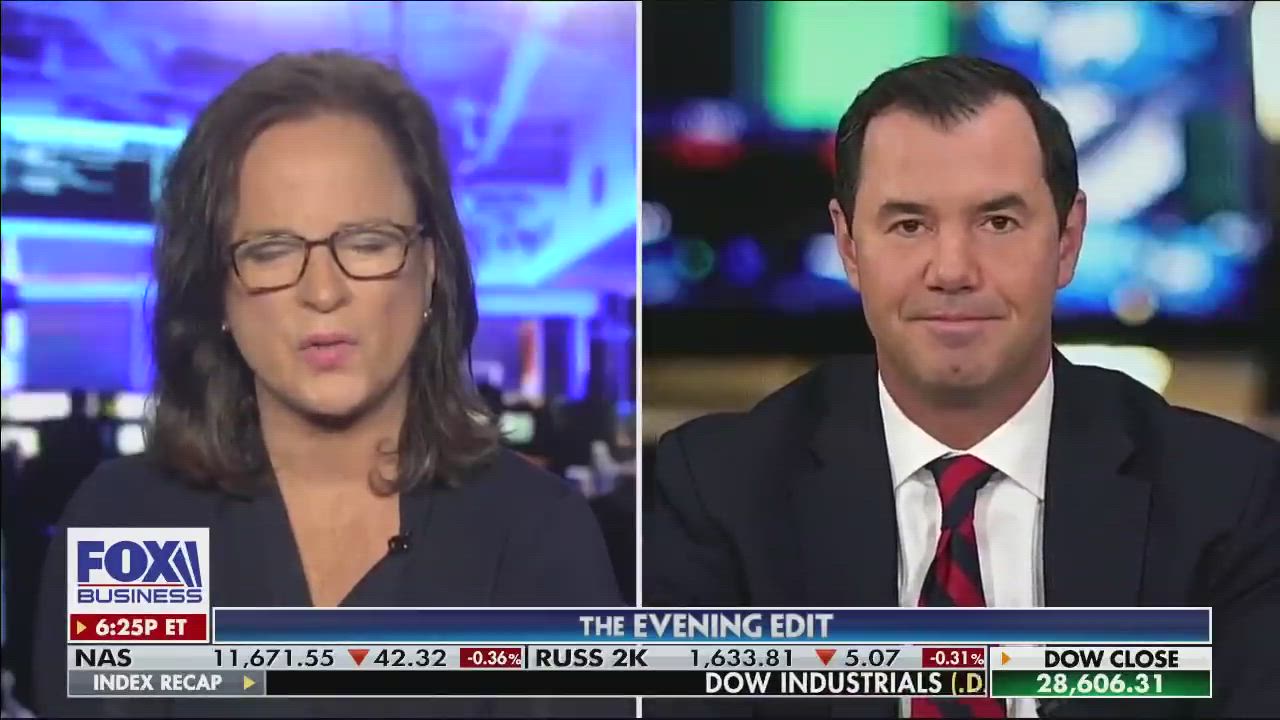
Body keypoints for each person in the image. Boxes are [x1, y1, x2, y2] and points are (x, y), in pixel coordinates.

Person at [644, 56, 1279, 718]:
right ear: (849, 245)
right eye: (909, 225)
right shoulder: (719, 491)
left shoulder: (1230, 497)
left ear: (1067, 240)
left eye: (997, 222)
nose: (952, 270)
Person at [36, 50, 623, 718]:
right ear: (218, 291)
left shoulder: (536, 531)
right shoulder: (128, 524)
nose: (323, 291)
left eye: (368, 243)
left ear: (429, 269)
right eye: (271, 250)